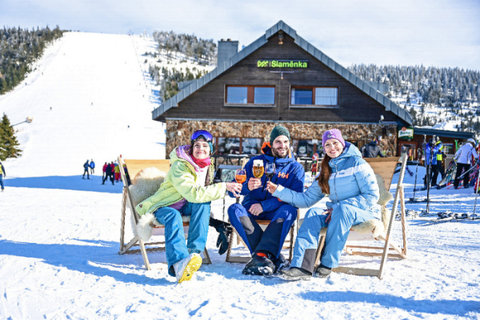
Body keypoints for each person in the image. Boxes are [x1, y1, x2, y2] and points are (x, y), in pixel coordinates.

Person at [266, 128, 379, 281]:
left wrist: (339, 207)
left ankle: (327, 263)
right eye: (327, 145)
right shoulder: (326, 169)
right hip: (338, 212)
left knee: (343, 210)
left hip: (364, 212)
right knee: (313, 213)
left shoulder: (357, 163)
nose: (332, 148)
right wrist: (278, 190)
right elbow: (306, 199)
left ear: (342, 143)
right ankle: (301, 266)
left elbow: (372, 196)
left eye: (335, 143)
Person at [135, 130, 242, 283]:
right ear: (191, 148)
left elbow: (202, 196)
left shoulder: (207, 166)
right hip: (163, 206)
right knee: (174, 215)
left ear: (210, 150)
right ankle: (178, 264)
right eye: (197, 145)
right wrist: (224, 187)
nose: (201, 149)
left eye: (205, 145)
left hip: (184, 205)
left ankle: (193, 254)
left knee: (203, 203)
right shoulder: (180, 165)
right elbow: (193, 193)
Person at [227, 125, 305, 276]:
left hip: (277, 212)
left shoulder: (295, 168)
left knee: (290, 210)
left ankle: (261, 256)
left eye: (285, 141)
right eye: (278, 142)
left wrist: (265, 205)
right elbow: (232, 191)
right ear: (271, 143)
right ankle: (270, 256)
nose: (282, 146)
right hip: (251, 211)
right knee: (234, 209)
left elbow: (296, 197)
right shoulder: (255, 162)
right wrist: (246, 187)